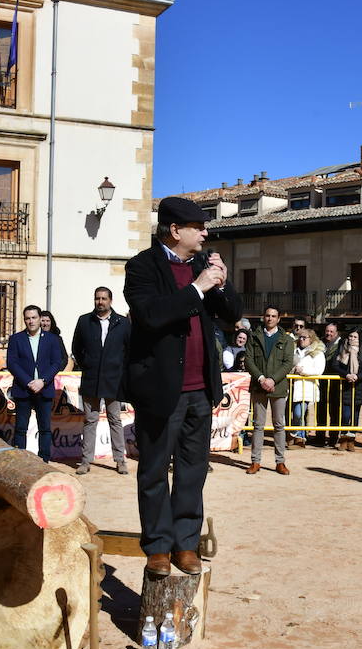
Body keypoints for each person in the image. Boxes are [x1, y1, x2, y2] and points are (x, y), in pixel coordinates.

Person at [124, 196, 241, 576]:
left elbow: (233, 314)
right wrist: (197, 288)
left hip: (200, 390)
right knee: (154, 470)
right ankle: (158, 546)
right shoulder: (141, 267)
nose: (206, 232)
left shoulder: (206, 264)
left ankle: (186, 544)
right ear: (175, 231)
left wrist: (220, 284)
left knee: (193, 471)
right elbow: (151, 315)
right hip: (160, 390)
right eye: (199, 227)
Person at [72, 286, 131, 475]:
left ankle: (120, 460)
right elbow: (77, 348)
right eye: (97, 298)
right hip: (91, 379)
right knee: (90, 420)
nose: (100, 302)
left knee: (115, 420)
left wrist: (121, 371)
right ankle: (86, 461)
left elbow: (129, 351)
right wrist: (88, 365)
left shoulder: (123, 323)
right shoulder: (84, 321)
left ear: (110, 301)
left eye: (104, 298)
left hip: (114, 380)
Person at [7, 304, 67, 465]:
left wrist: (43, 381)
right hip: (23, 389)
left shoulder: (52, 339)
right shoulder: (16, 339)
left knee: (45, 428)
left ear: (40, 319)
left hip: (44, 389)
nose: (31, 321)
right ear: (24, 320)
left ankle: (43, 460)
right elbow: (12, 363)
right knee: (20, 428)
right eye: (27, 318)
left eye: (34, 317)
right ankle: (19, 461)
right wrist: (28, 382)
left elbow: (56, 363)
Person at [245, 306, 295, 473]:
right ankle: (255, 462)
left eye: (274, 316)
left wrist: (272, 379)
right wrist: (261, 379)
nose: (270, 319)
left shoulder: (287, 339)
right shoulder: (253, 337)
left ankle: (280, 461)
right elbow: (249, 360)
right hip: (259, 386)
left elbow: (288, 363)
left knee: (279, 424)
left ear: (278, 319)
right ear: (263, 317)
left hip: (278, 386)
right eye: (267, 315)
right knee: (258, 425)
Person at [329, 330, 362, 451]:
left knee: (355, 415)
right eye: (350, 336)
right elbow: (335, 365)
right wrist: (346, 375)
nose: (352, 338)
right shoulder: (342, 348)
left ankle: (351, 439)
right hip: (345, 385)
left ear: (359, 338)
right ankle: (343, 438)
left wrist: (358, 376)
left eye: (355, 336)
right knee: (345, 415)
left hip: (359, 385)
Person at [289, 327, 325, 448]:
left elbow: (319, 370)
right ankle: (300, 437)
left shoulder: (318, 353)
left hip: (307, 387)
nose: (302, 339)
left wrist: (303, 371)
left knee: (299, 413)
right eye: (300, 337)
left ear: (311, 339)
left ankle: (295, 434)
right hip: (293, 386)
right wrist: (294, 370)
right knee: (296, 413)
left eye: (305, 337)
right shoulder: (294, 351)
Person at [314, 321, 343, 447]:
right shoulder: (319, 343)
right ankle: (320, 437)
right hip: (321, 380)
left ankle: (333, 437)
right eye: (327, 331)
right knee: (320, 409)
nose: (329, 333)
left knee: (335, 410)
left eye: (331, 331)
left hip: (336, 381)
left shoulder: (341, 344)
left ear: (336, 333)